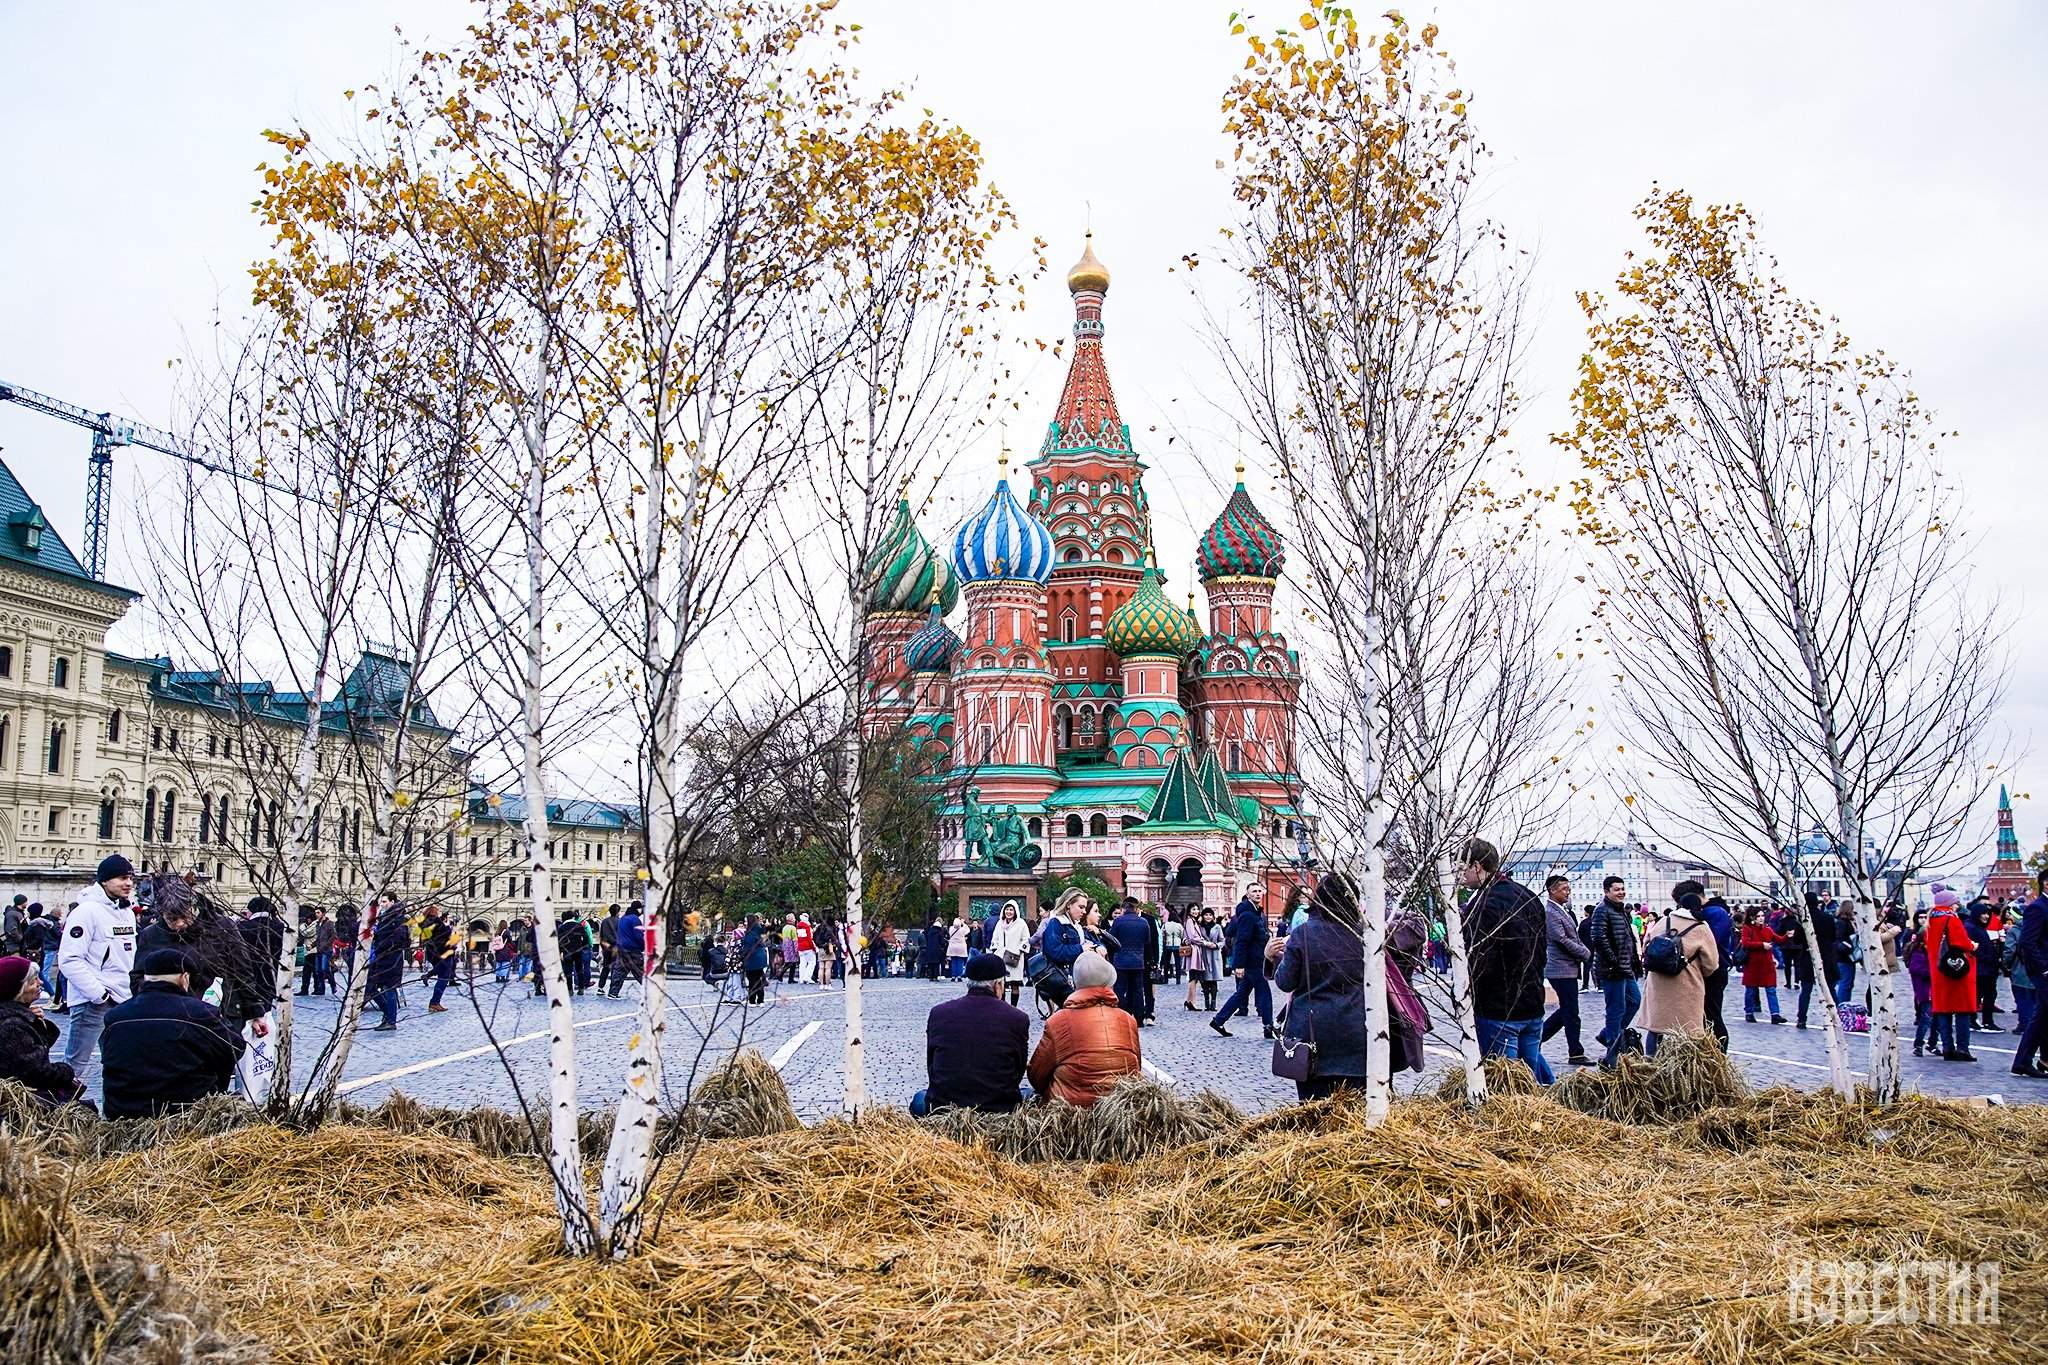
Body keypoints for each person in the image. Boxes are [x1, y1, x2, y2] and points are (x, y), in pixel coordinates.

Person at [100, 947, 245, 1119]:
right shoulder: (200, 1013)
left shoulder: (116, 1016)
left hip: (124, 1111)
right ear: (184, 978)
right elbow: (235, 1047)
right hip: (187, 1112)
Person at [1461, 839, 1552, 1083]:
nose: (1460, 874)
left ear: (1477, 866)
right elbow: (1542, 951)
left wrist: (1466, 994)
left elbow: (1478, 960)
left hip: (1499, 1009)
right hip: (1531, 1003)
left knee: (1507, 1087)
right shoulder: (1528, 896)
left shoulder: (1483, 905)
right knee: (1530, 1079)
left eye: (1462, 867)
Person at [1271, 873, 1369, 1100]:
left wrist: (1272, 958)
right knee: (1356, 1115)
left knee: (1313, 1112)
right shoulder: (1364, 934)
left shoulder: (1303, 934)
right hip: (1357, 1031)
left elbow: (1285, 982)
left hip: (1313, 1033)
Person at [57, 853, 138, 1098]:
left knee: (120, 1063)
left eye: (131, 878)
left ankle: (114, 1114)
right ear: (104, 881)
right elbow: (69, 959)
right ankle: (59, 1117)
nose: (129, 883)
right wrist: (99, 995)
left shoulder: (127, 912)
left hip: (122, 1001)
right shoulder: (86, 912)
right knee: (75, 1068)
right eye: (122, 878)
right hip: (93, 1002)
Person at [912, 952, 1030, 1115]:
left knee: (919, 1100)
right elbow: (1018, 1070)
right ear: (998, 986)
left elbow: (932, 1066)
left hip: (944, 1108)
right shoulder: (1017, 1018)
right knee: (1031, 1095)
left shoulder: (939, 1013)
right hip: (998, 1109)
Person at [1028, 952, 1139, 1108]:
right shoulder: (1128, 1020)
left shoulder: (1058, 1021)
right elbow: (1136, 1068)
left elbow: (1036, 1075)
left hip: (1072, 1112)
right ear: (1109, 983)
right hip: (1120, 1108)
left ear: (1075, 984)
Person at [1638, 884, 1719, 1055]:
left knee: (1656, 1028)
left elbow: (1646, 947)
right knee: (1688, 1031)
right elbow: (1711, 964)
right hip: (1687, 987)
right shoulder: (1701, 928)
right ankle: (1683, 1070)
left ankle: (1650, 1063)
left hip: (1657, 984)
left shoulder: (1662, 921)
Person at [0, 954, 82, 1107]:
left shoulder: (14, 1016)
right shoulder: (12, 1025)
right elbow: (36, 1071)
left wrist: (34, 1021)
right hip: (20, 1107)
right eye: (33, 981)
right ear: (19, 989)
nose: (40, 983)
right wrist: (66, 1071)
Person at [1537, 874, 1593, 1066]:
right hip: (1559, 968)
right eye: (1564, 889)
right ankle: (1574, 1051)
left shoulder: (1562, 910)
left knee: (1569, 1010)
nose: (1568, 892)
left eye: (1568, 889)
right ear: (1552, 890)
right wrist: (1585, 953)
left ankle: (1539, 1040)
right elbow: (1561, 939)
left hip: (1567, 967)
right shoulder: (1551, 912)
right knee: (1570, 1012)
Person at [1588, 874, 1641, 1068]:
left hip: (1626, 968)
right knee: (1615, 1010)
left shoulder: (1622, 911)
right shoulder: (1602, 910)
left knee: (1635, 1000)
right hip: (1612, 969)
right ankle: (1613, 1051)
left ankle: (1608, 1035)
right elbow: (1598, 938)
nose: (1621, 892)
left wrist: (1634, 962)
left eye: (1622, 888)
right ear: (1607, 891)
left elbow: (1628, 939)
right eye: (1616, 889)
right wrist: (1614, 961)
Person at [1210, 886, 1273, 1039]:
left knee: (1241, 993)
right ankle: (1268, 1026)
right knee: (1265, 992)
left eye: (1259, 891)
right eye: (1254, 892)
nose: (1257, 894)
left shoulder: (1255, 913)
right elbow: (1242, 941)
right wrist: (1239, 965)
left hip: (1255, 958)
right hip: (1252, 961)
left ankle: (1218, 1021)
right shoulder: (1248, 915)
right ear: (1248, 895)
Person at [1925, 887, 1977, 1061]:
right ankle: (1963, 1049)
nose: (1957, 906)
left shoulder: (1930, 920)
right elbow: (1961, 943)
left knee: (1943, 1010)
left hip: (1938, 970)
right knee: (1962, 1009)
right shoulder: (1951, 919)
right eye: (1955, 902)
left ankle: (1947, 1047)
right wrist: (1972, 946)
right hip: (1956, 970)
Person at [2009, 870, 2048, 1079]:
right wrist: (2043, 968)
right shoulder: (2037, 908)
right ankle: (2026, 1061)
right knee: (2041, 1016)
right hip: (2043, 972)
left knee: (2042, 1016)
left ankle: (2034, 1060)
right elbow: (2027, 941)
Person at [1698, 893, 1735, 1048]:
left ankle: (1719, 1052)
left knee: (1711, 1014)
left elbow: (1711, 940)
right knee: (1708, 1013)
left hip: (1714, 969)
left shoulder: (1714, 913)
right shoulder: (1716, 912)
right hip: (1713, 968)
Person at [1740, 907, 1789, 1024]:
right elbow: (1746, 943)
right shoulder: (1747, 928)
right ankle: (1749, 1012)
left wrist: (1787, 935)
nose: (1761, 918)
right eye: (1758, 916)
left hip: (1767, 965)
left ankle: (1775, 1014)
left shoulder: (1767, 929)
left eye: (1762, 916)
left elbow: (1779, 940)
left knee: (1771, 989)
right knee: (1751, 989)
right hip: (1753, 964)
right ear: (1752, 917)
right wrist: (1762, 945)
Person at [366, 901, 410, 1030]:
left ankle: (390, 1019)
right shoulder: (392, 923)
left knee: (388, 989)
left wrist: (380, 941)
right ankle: (388, 1016)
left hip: (390, 961)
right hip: (385, 960)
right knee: (376, 988)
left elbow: (400, 942)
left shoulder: (397, 925)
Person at [1109, 897, 1151, 1023]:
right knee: (1138, 990)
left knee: (1120, 990)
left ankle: (1122, 1016)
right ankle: (1139, 1018)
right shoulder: (1143, 922)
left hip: (1121, 961)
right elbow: (1147, 941)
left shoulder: (1118, 922)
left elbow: (1112, 939)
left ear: (1124, 908)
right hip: (1138, 961)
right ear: (1136, 908)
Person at [986, 901, 1031, 1007]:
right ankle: (1003, 1007)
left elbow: (1026, 939)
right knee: (1001, 984)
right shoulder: (1000, 923)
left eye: (1011, 909)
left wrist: (1020, 950)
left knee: (1015, 984)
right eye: (1007, 909)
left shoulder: (1021, 924)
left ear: (1015, 911)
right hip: (1001, 957)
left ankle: (1013, 1007)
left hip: (1014, 957)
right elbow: (995, 938)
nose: (1009, 912)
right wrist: (995, 948)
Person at [1968, 902, 2002, 1032]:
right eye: (1983, 914)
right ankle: (1984, 1021)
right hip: (1981, 968)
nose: (1986, 916)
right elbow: (1975, 949)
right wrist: (1990, 959)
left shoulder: (1977, 927)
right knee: (1984, 994)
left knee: (1984, 994)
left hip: (1985, 968)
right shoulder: (1972, 928)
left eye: (1987, 914)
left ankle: (1976, 1020)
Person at [421, 905, 459, 1013]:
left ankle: (428, 977)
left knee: (441, 974)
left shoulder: (425, 923)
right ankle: (434, 1003)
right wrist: (447, 927)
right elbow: (444, 935)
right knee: (443, 978)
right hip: (443, 953)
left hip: (433, 953)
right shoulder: (437, 923)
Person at [1184, 909, 1222, 1013]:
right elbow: (1191, 936)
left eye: (1210, 915)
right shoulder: (1199, 927)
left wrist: (1216, 945)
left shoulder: (1217, 927)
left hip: (1214, 956)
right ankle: (1206, 1004)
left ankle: (1213, 1004)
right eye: (1206, 915)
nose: (1208, 917)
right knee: (1204, 981)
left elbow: (1222, 940)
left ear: (1213, 916)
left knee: (1213, 981)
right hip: (1203, 956)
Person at [612, 902, 645, 998]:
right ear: (638, 909)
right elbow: (639, 936)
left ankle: (613, 992)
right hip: (633, 949)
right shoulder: (635, 919)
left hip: (622, 948)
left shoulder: (623, 918)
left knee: (619, 971)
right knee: (640, 971)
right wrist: (644, 946)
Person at [738, 914, 770, 1005]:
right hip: (760, 957)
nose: (744, 923)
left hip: (753, 958)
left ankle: (752, 1000)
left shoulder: (750, 934)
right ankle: (760, 1000)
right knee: (758, 979)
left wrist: (741, 955)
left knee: (752, 979)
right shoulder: (758, 930)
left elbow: (748, 948)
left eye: (746, 921)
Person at [921, 917, 947, 981]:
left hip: (929, 950)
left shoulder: (929, 932)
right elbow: (942, 941)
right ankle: (935, 976)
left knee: (931, 964)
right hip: (937, 950)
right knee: (936, 965)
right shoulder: (939, 932)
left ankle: (931, 976)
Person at [795, 914, 817, 985]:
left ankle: (801, 978)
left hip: (800, 947)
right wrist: (814, 947)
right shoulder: (807, 927)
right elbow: (809, 939)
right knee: (812, 962)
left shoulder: (798, 926)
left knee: (802, 963)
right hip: (808, 947)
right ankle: (807, 977)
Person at [945, 916, 970, 980]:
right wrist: (963, 923)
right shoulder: (962, 930)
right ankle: (959, 976)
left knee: (953, 962)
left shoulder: (951, 929)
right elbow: (968, 930)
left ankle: (953, 976)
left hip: (952, 947)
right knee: (960, 962)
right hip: (961, 948)